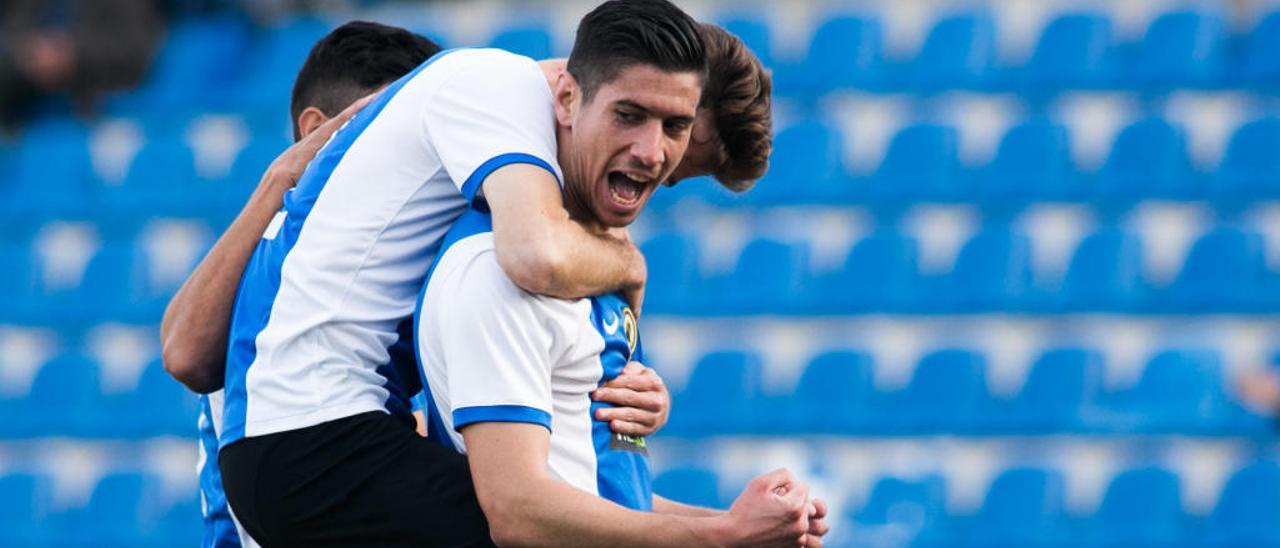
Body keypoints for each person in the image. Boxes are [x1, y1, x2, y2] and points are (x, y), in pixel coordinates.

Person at [411, 4, 827, 543]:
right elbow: (517, 509)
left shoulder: (589, 271)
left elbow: (595, 492)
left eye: (674, 128)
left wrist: (746, 528)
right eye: (630, 116)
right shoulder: (502, 267)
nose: (654, 157)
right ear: (567, 100)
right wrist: (721, 537)